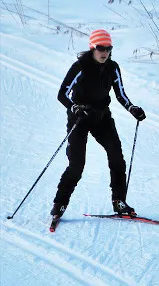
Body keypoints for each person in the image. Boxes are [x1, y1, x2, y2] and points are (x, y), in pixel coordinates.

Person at [50, 29, 147, 224]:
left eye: (108, 48)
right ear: (92, 48)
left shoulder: (112, 67)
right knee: (77, 165)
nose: (104, 52)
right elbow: (63, 93)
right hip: (80, 118)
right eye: (100, 48)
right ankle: (59, 204)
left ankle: (119, 201)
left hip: (102, 117)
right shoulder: (80, 67)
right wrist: (74, 107)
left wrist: (132, 108)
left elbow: (120, 94)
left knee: (117, 157)